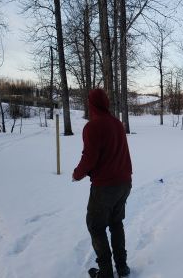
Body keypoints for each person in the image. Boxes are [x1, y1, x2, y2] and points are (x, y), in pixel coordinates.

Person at [73, 89, 132, 278]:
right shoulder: (116, 123)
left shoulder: (93, 126)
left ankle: (105, 273)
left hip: (106, 186)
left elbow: (89, 157)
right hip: (124, 183)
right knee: (116, 223)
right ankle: (122, 267)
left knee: (96, 226)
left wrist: (77, 174)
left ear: (92, 105)